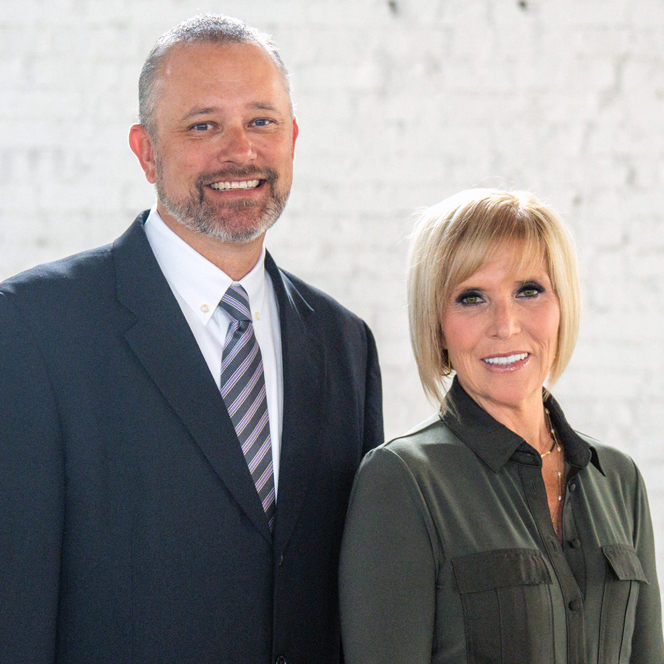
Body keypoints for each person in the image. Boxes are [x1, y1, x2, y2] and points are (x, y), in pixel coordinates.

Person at [0, 15, 383, 664]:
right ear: (146, 150)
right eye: (203, 126)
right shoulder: (34, 330)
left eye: (261, 121)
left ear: (292, 139)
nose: (240, 151)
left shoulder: (345, 345)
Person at [339, 189, 662, 663]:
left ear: (562, 305)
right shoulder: (402, 481)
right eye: (471, 298)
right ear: (437, 326)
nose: (505, 325)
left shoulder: (619, 479)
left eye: (528, 290)